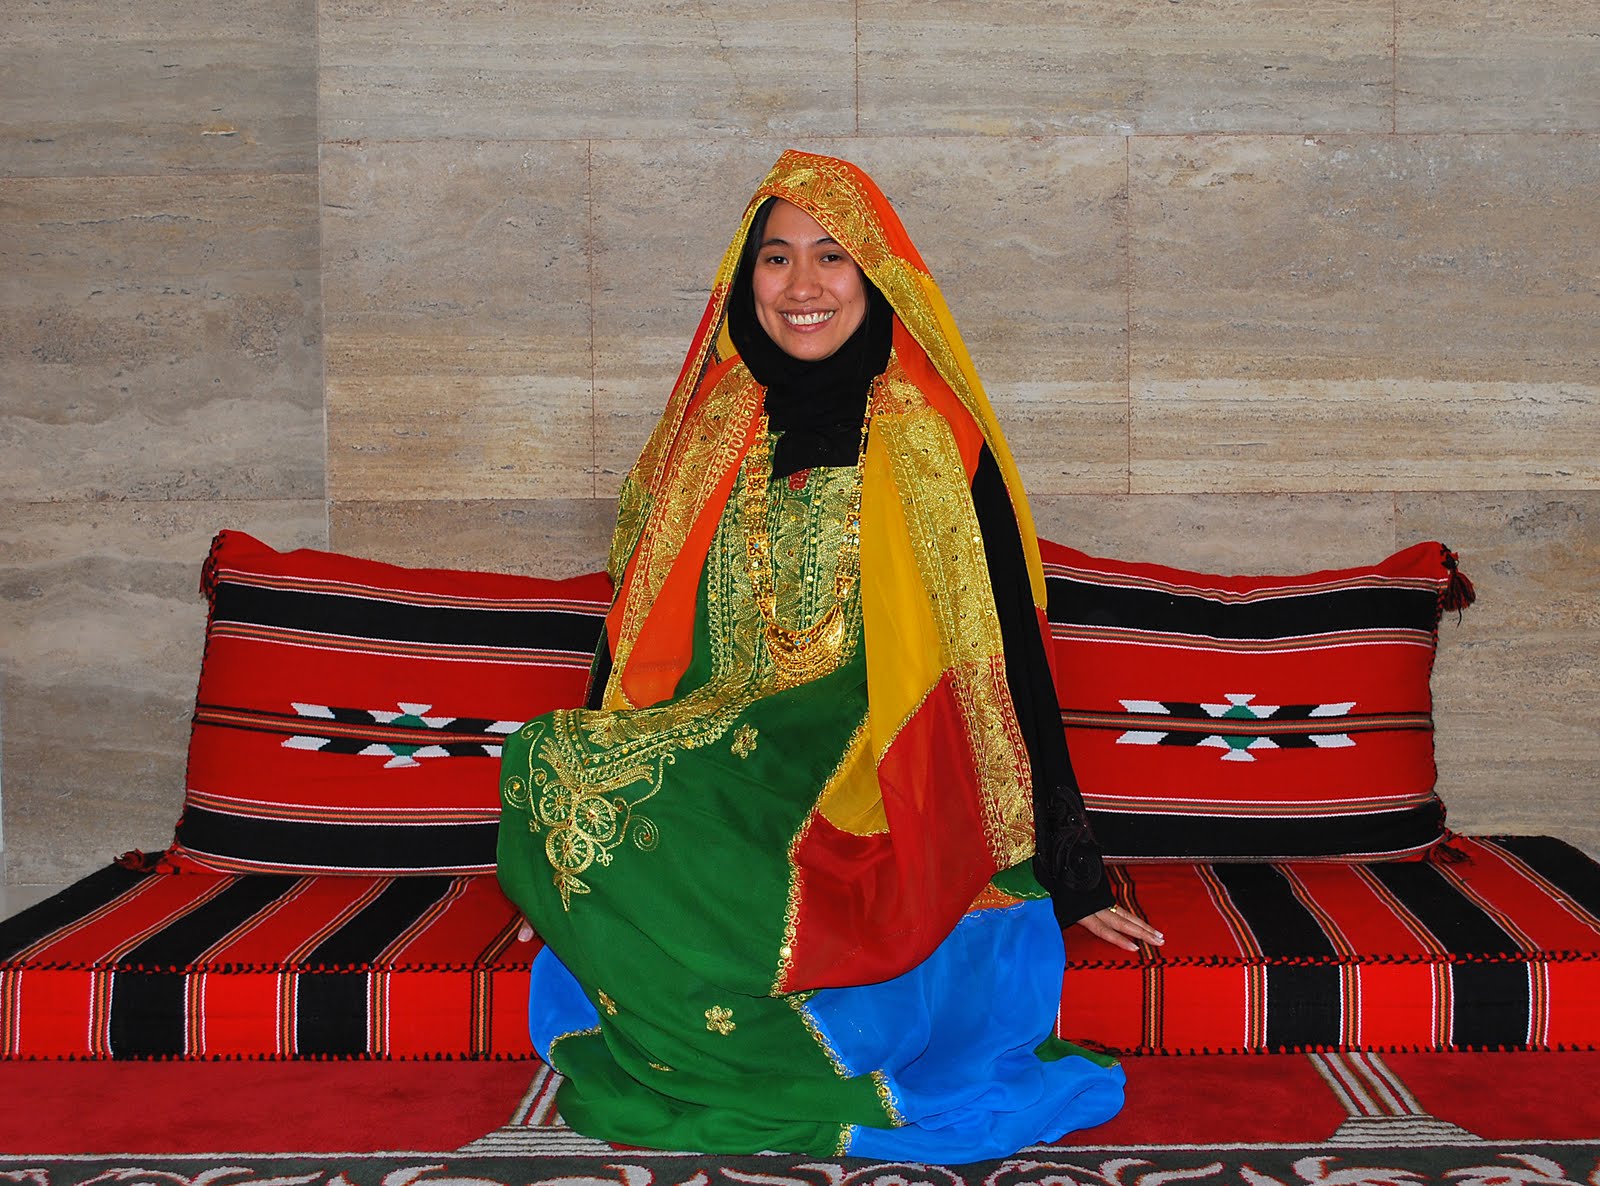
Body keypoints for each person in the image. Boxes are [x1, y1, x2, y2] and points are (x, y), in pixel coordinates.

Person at [497, 150, 1162, 1163]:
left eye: (831, 258)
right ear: (743, 277)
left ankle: (778, 1064)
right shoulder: (716, 425)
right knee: (551, 760)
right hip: (727, 736)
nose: (801, 287)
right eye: (775, 258)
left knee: (650, 795)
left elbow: (1006, 659)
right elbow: (635, 633)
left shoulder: (929, 441)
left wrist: (1075, 875)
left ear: (878, 279)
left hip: (869, 757)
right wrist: (568, 858)